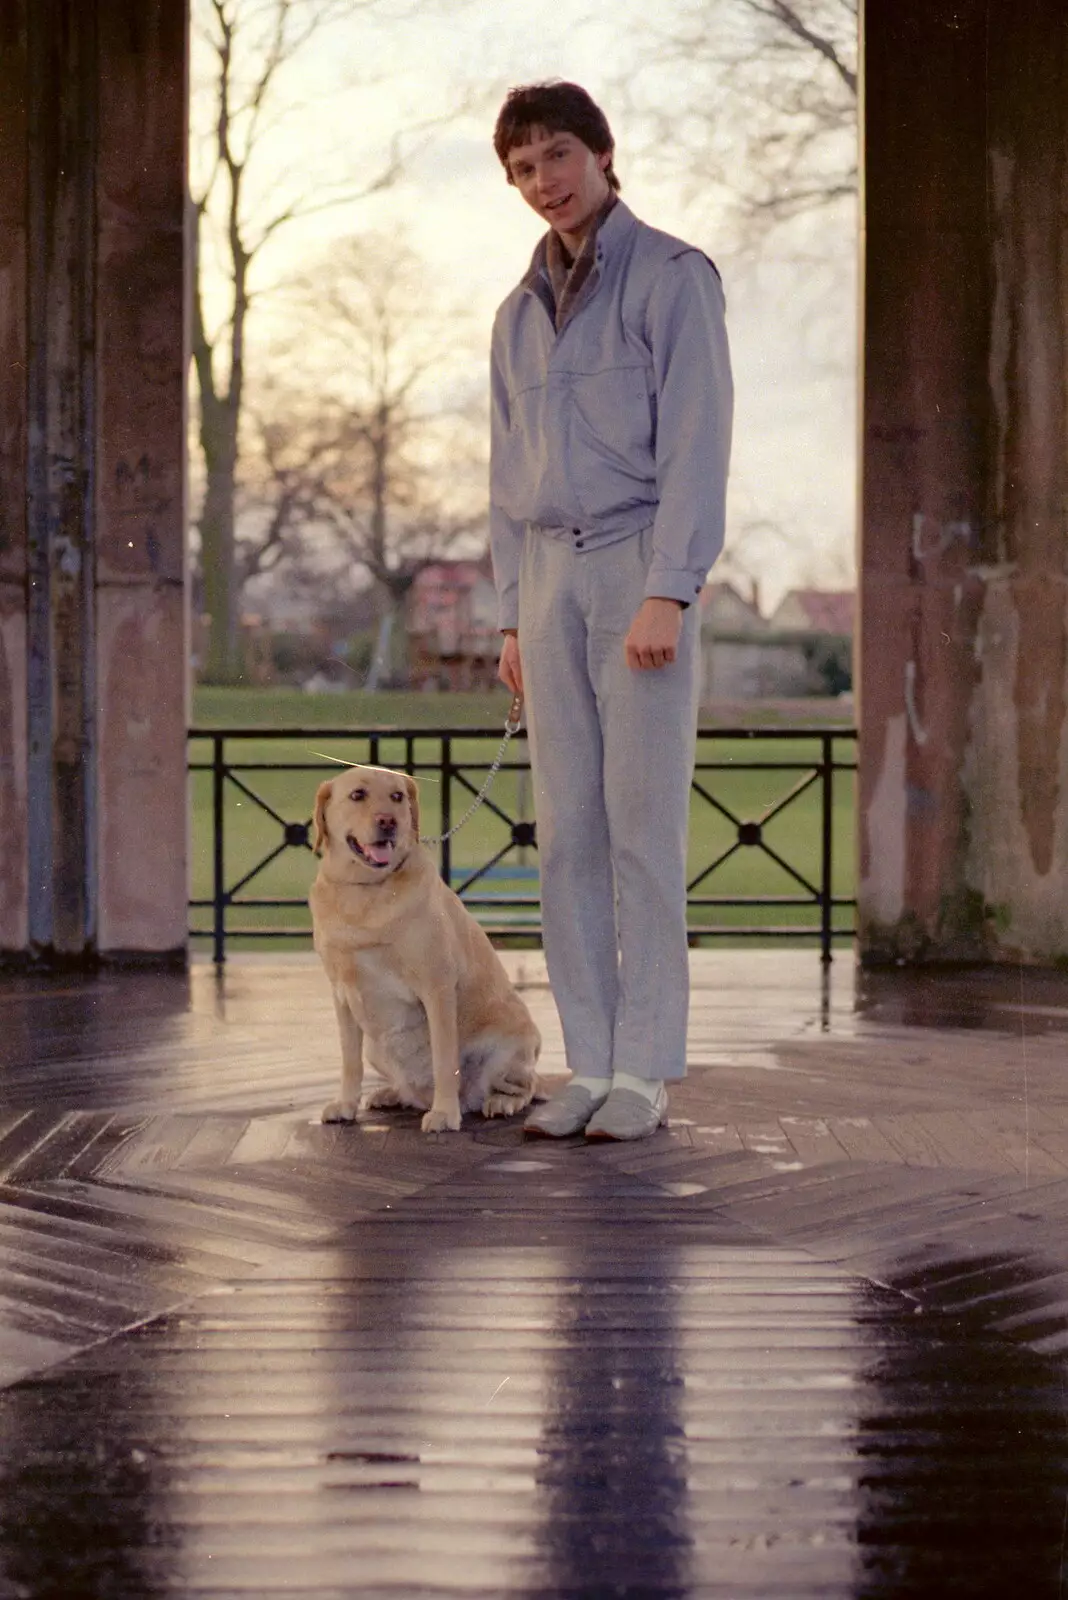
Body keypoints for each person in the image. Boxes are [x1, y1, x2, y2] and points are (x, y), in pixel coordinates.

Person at [489, 81, 733, 1141]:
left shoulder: (672, 277)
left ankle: (645, 1070)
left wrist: (668, 588)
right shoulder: (513, 316)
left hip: (636, 566)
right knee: (568, 839)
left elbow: (697, 442)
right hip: (544, 581)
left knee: (641, 834)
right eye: (522, 168)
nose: (543, 182)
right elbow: (504, 476)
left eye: (556, 156)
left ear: (600, 153)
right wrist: (509, 619)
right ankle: (587, 1062)